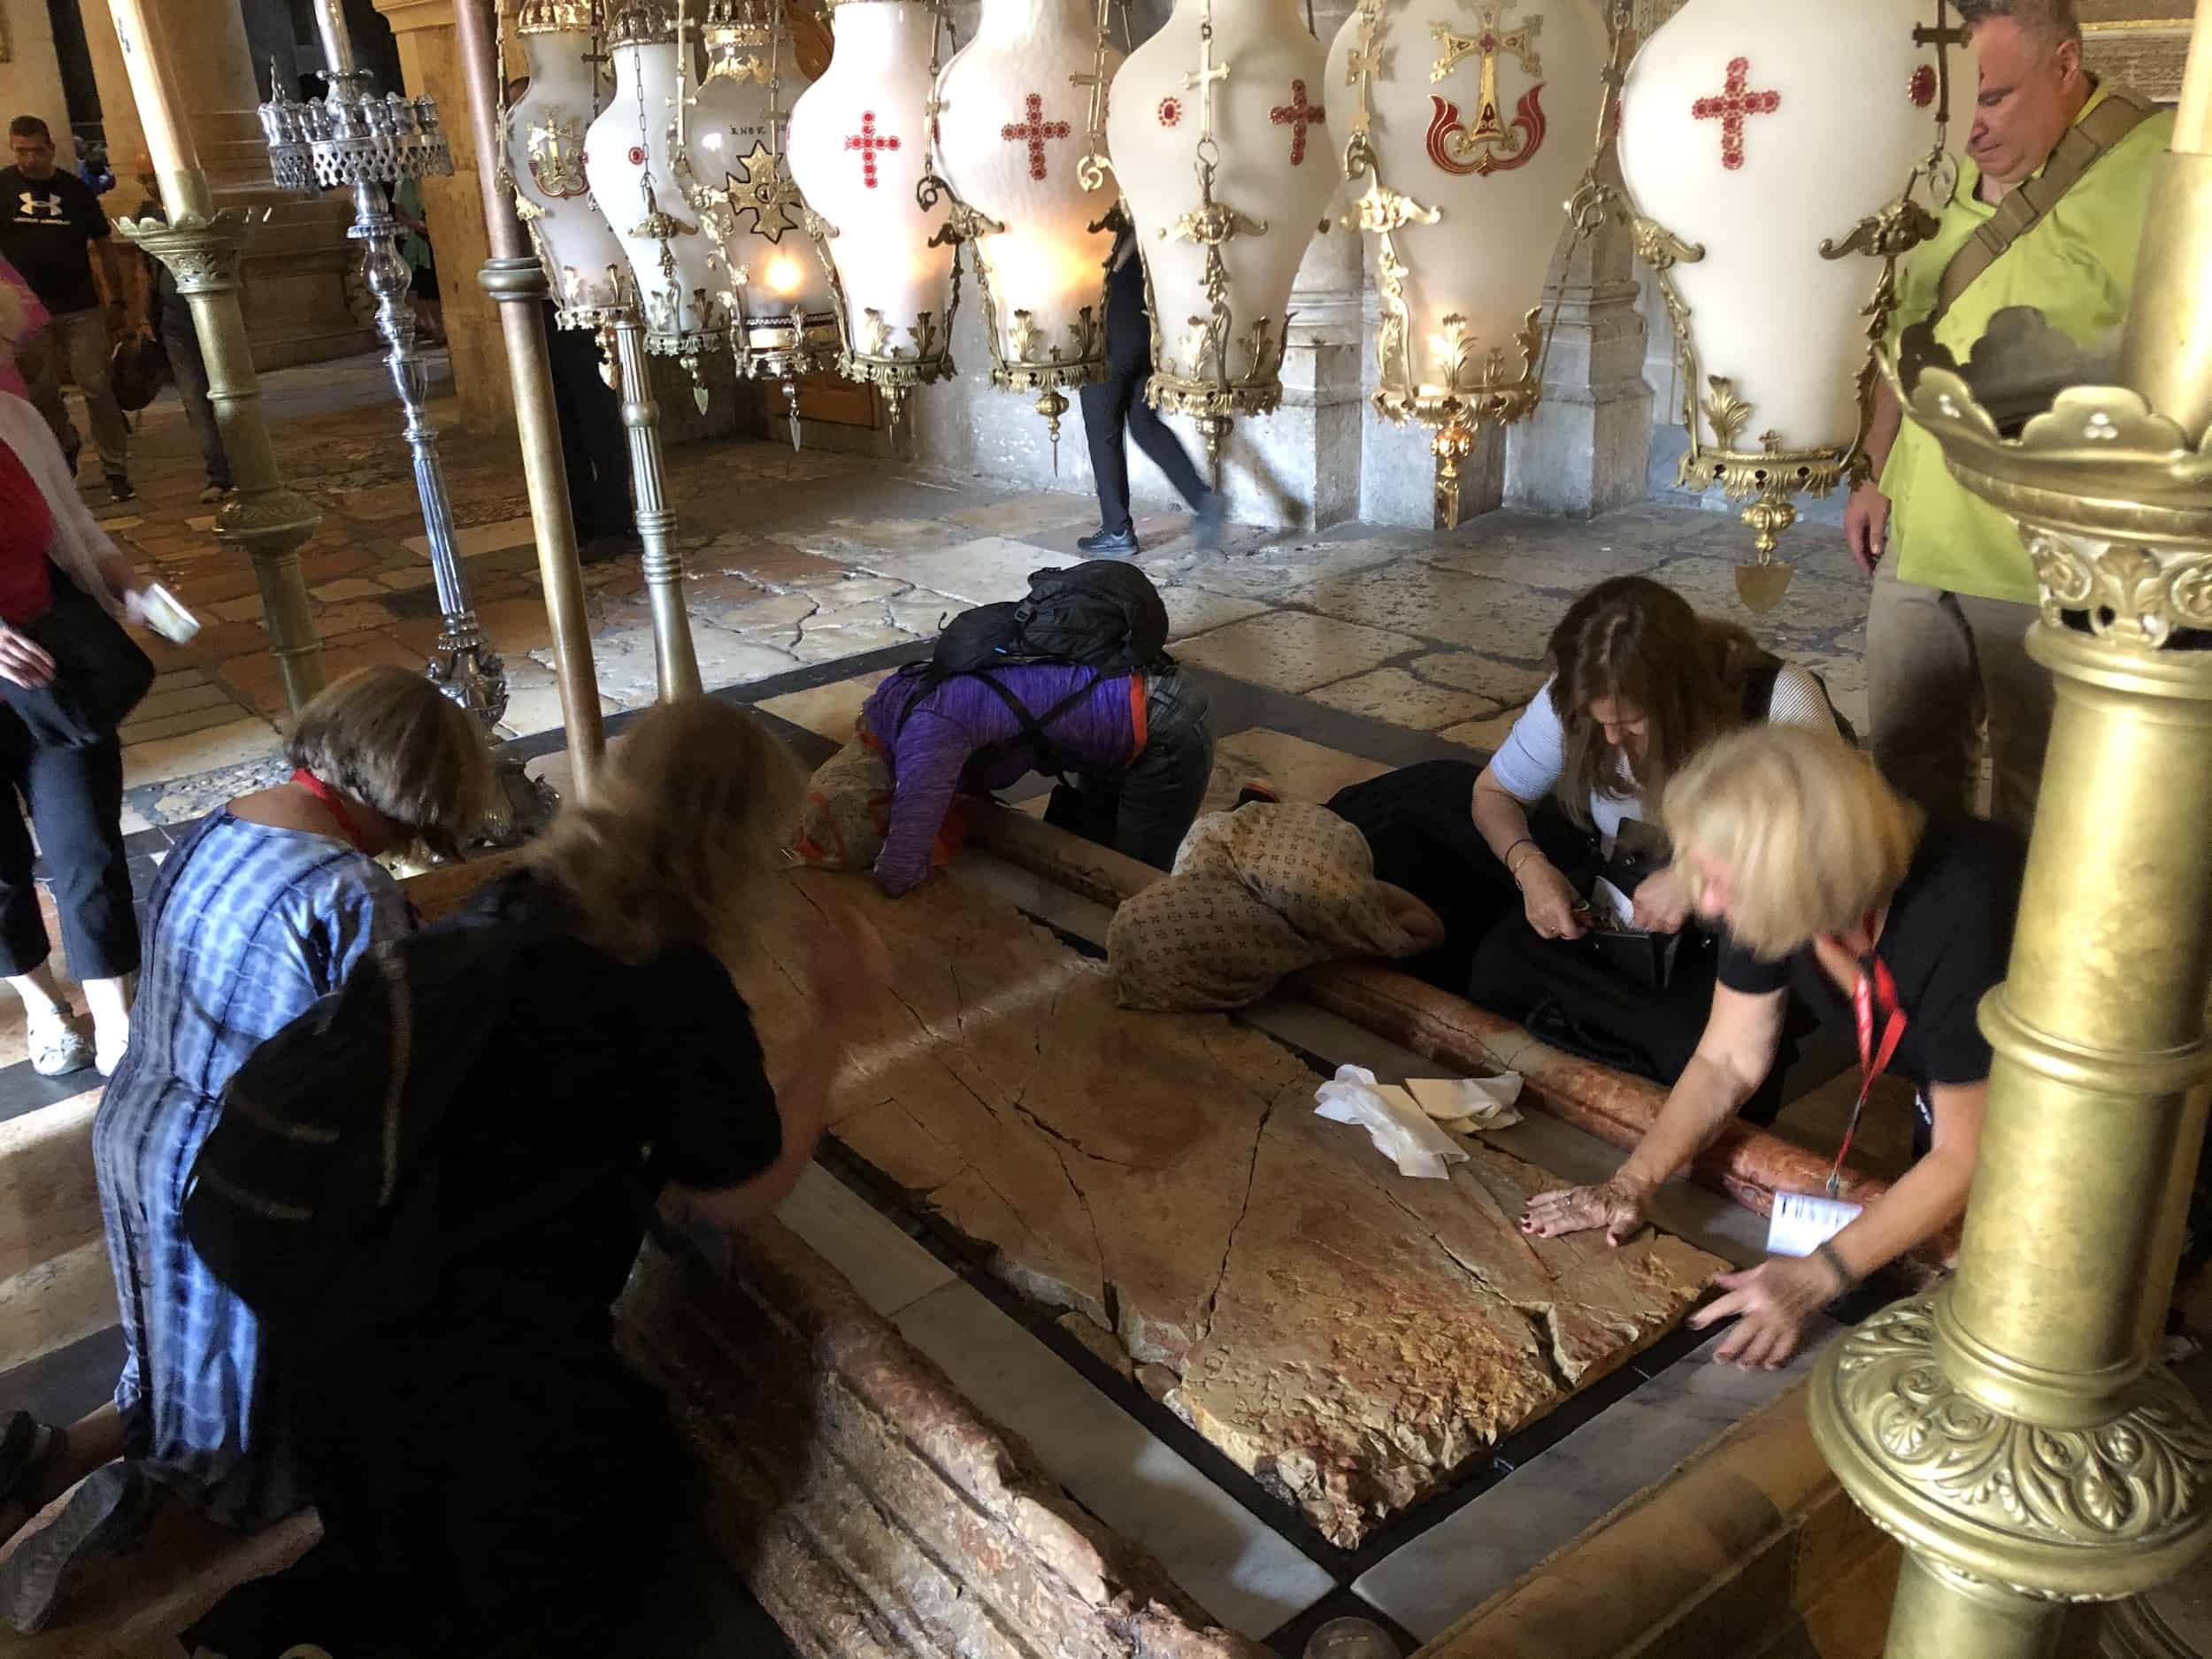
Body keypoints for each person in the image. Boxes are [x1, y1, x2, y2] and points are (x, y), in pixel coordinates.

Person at [173, 698, 887, 1656]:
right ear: (743, 846)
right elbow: (734, 1187)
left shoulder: (513, 900)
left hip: (325, 1340)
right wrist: (835, 1025)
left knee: (401, 1563)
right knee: (606, 1543)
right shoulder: (669, 983)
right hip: (471, 1383)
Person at [0, 667, 489, 1635]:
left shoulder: (224, 822)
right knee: (251, 1415)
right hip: (227, 1175)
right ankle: (146, 1501)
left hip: (138, 1127)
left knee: (169, 1356)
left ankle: (41, 1462)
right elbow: (384, 1076)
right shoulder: (346, 890)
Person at [1523, 725, 2024, 1369]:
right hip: (1958, 1083)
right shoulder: (1766, 894)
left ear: (1801, 874)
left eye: (1716, 877)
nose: (1705, 899)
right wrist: (1631, 1181)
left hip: (2076, 1101)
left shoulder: (1966, 908)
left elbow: (1964, 1154)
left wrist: (1813, 1277)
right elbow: (1726, 1059)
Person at [1846, 0, 2171, 837]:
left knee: (2046, 800)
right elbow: (1898, 334)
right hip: (1918, 541)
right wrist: (1873, 473)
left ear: (2066, 66)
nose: (1970, 131)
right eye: (1956, 105)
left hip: (2053, 558)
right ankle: (1925, 959)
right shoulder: (1932, 165)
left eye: (1992, 98)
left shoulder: (2160, 171)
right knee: (1905, 777)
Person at [1329, 579, 1839, 1034]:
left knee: (1681, 1034)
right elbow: (1494, 794)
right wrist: (1529, 868)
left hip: (1749, 908)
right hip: (1628, 886)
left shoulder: (1779, 699)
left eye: (1632, 723)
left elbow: (1828, 852)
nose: (1612, 739)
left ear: (1680, 697)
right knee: (1499, 967)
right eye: (1598, 725)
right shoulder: (1581, 696)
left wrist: (1696, 880)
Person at [0, 275, 151, 1082]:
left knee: (85, 844)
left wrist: (122, 577)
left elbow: (71, 523)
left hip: (49, 662)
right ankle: (42, 1002)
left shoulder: (16, 420)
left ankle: (119, 1021)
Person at [859, 656, 1214, 896]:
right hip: (1124, 693)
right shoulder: (902, 688)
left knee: (1137, 881)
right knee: (1097, 848)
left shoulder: (930, 733)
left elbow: (899, 871)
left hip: (1162, 724)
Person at [0, 116, 132, 502]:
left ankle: (115, 467)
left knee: (97, 387)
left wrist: (118, 298)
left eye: (35, 150)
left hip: (79, 305)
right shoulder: (2, 187)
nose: (28, 159)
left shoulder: (74, 191)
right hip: (25, 311)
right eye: (20, 150)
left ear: (51, 149)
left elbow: (105, 245)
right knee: (42, 394)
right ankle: (64, 447)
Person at [1078, 220, 1225, 557]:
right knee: (1143, 425)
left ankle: (1116, 530)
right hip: (1151, 336)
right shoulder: (1151, 216)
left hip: (1111, 335)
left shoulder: (1099, 223)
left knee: (1103, 433)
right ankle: (1203, 500)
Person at [132, 190, 230, 503]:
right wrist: (142, 317)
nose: (150, 184)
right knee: (194, 399)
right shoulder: (147, 212)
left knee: (228, 392)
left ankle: (248, 463)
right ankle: (219, 474)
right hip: (172, 321)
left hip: (213, 315)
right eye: (144, 179)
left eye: (153, 178)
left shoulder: (198, 204)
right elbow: (142, 267)